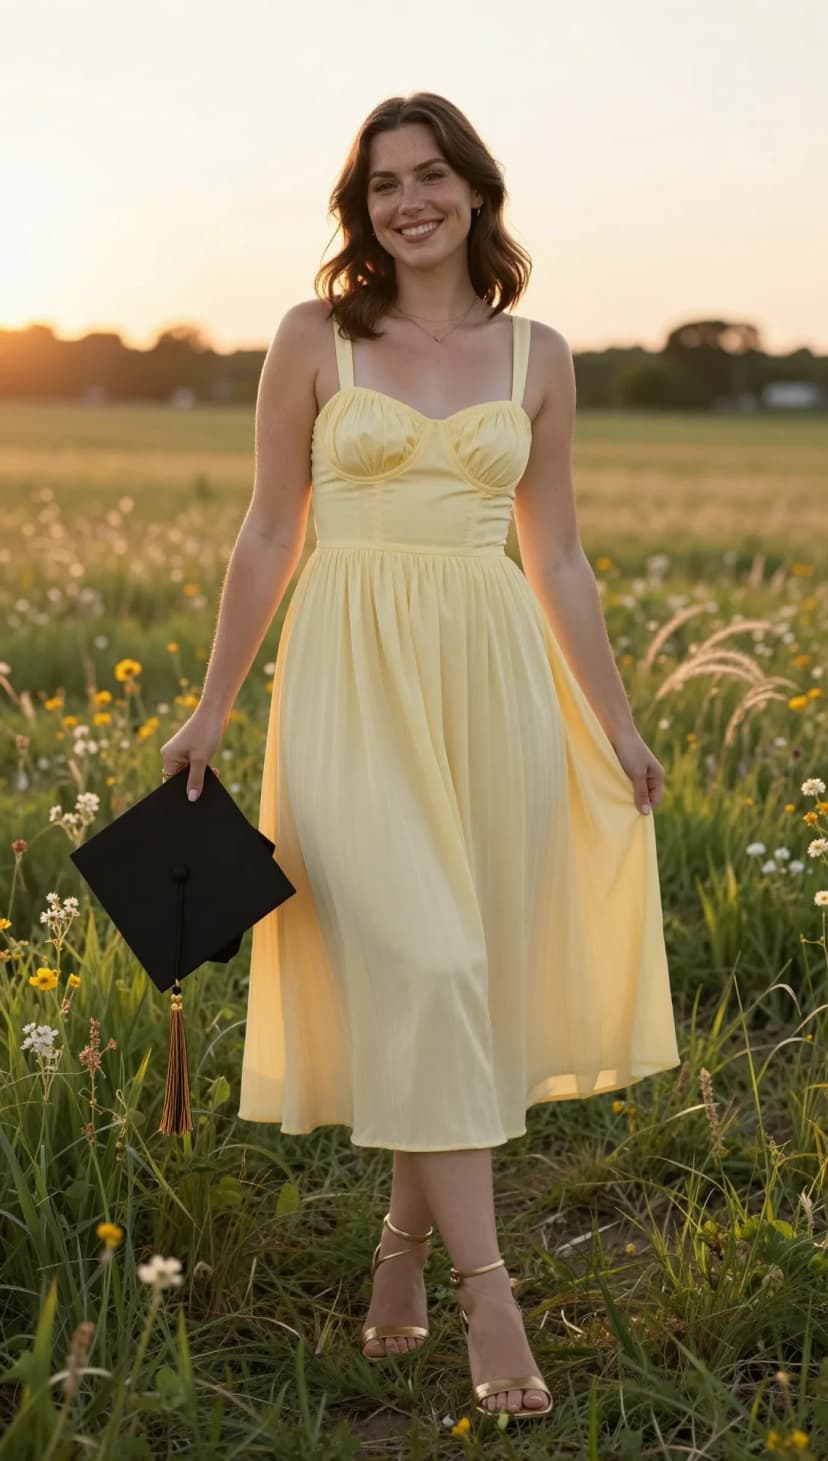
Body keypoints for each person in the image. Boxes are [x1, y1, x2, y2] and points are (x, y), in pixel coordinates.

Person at [160, 91, 680, 1420]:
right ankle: (489, 1286)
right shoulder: (313, 336)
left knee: (449, 977)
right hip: (349, 678)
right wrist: (214, 707)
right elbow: (270, 533)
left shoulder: (540, 354)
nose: (410, 200)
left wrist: (617, 723)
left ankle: (398, 1249)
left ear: (476, 190)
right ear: (362, 206)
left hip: (492, 679)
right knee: (430, 959)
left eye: (432, 174)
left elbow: (555, 554)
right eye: (385, 182)